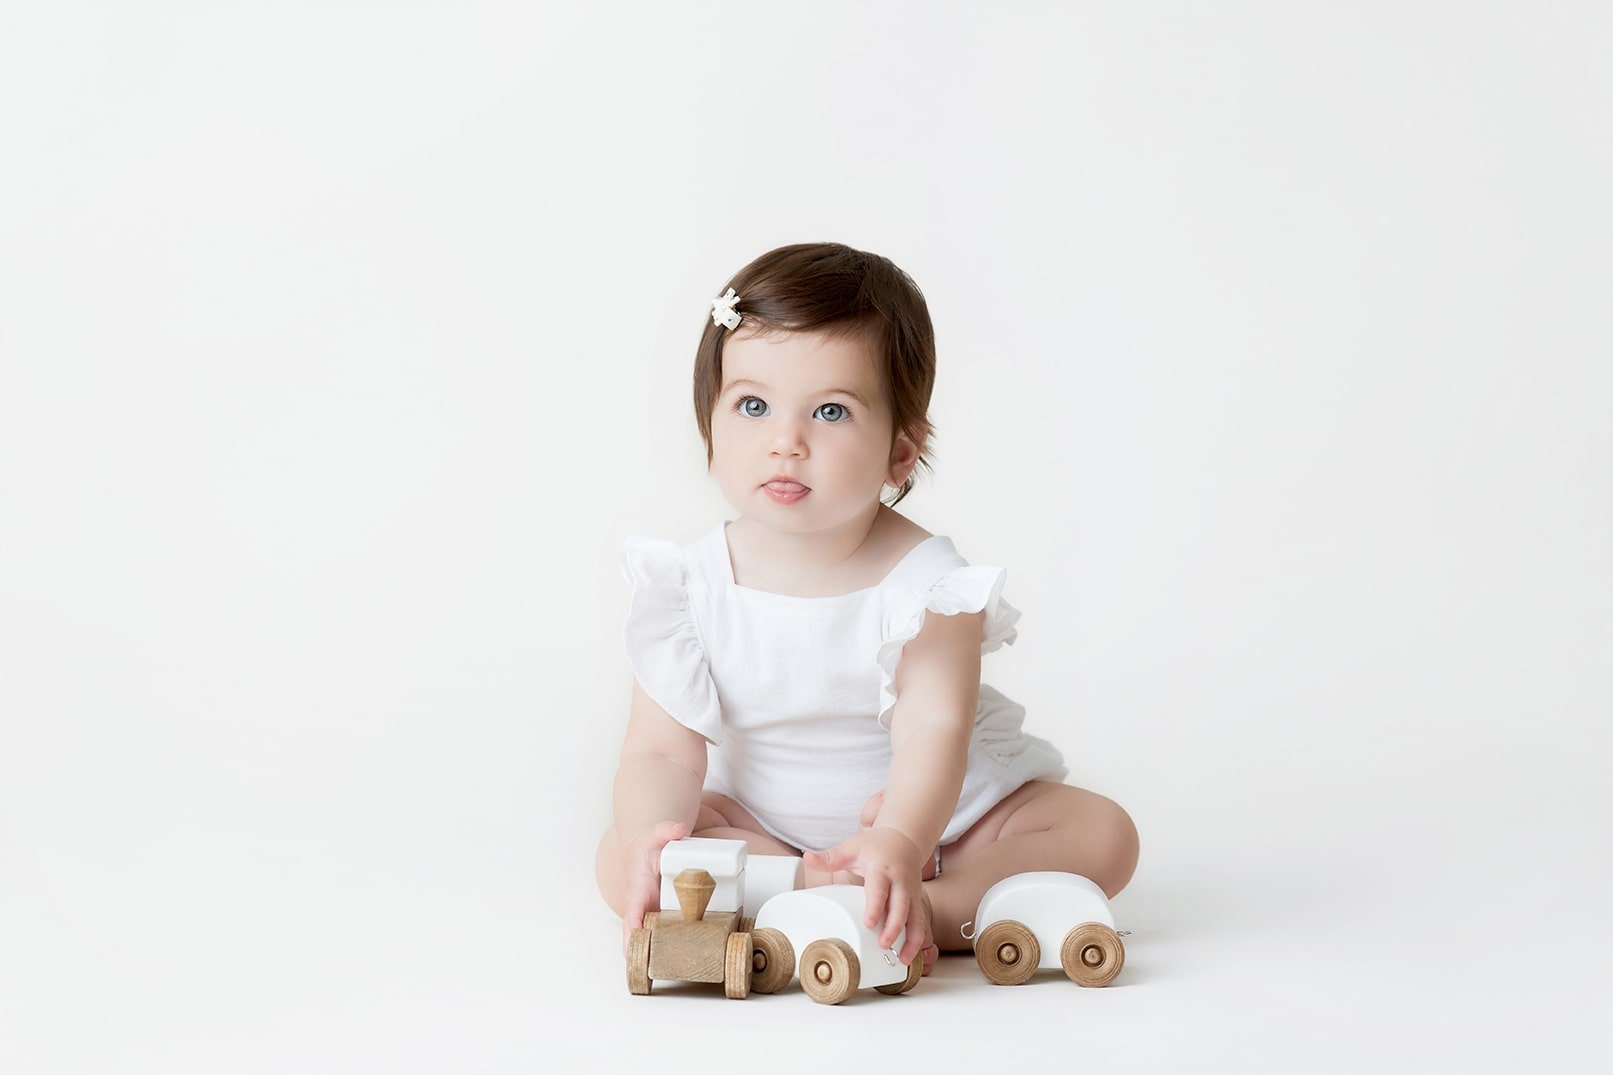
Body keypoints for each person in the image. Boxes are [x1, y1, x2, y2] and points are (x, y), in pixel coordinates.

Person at [594, 242, 1139, 975]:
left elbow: (931, 731)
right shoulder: (688, 586)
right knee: (619, 850)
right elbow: (660, 751)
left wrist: (904, 842)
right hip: (769, 832)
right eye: (752, 405)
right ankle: (821, 891)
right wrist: (648, 837)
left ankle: (930, 904)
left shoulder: (928, 585)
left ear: (900, 453)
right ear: (709, 429)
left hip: (945, 830)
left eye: (830, 411)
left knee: (1102, 833)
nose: (785, 441)